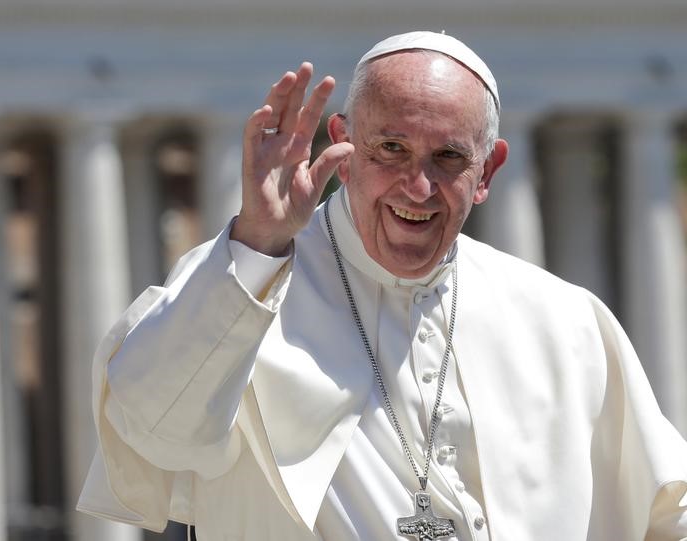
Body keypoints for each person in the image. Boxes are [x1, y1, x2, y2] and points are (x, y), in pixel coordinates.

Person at [77, 31, 687, 540]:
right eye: (389, 148)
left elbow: (665, 509)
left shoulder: (565, 321)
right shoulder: (240, 285)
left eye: (448, 158)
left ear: (488, 171)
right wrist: (258, 242)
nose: (416, 187)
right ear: (342, 147)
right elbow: (150, 430)